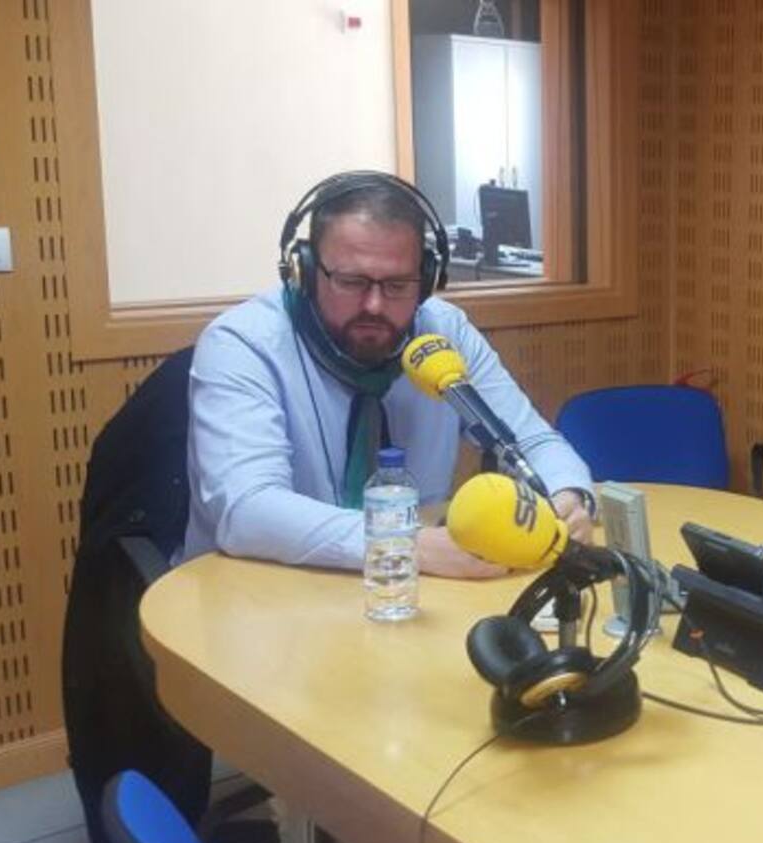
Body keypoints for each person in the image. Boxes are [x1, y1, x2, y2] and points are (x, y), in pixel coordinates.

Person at [182, 171, 594, 576]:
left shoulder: (443, 332)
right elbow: (247, 509)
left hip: (407, 594)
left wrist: (568, 495)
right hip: (260, 591)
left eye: (398, 285)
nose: (375, 306)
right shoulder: (242, 345)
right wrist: (402, 544)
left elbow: (531, 441)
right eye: (351, 281)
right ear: (304, 270)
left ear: (427, 279)